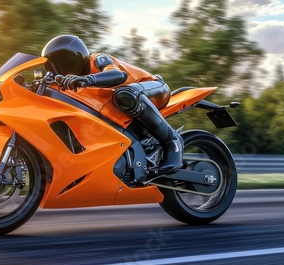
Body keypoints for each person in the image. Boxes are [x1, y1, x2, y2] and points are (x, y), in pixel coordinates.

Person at [41, 34, 183, 175]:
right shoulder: (65, 83)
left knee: (125, 95)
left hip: (153, 88)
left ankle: (172, 141)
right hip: (126, 105)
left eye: (63, 64)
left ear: (76, 57)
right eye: (53, 66)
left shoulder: (98, 59)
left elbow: (118, 75)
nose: (60, 69)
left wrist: (86, 79)